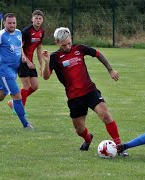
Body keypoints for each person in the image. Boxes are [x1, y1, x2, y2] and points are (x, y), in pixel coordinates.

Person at [41, 27, 128, 156]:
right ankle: (88, 139)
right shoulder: (54, 57)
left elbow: (98, 54)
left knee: (105, 115)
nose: (67, 46)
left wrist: (110, 69)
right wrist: (47, 63)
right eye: (64, 45)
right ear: (57, 42)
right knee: (79, 130)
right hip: (74, 98)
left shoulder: (79, 49)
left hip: (90, 91)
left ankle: (120, 147)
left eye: (69, 43)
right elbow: (46, 77)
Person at [7, 10, 45, 115]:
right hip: (21, 60)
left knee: (35, 86)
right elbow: (20, 48)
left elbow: (38, 49)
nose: (38, 20)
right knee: (26, 85)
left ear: (42, 20)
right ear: (32, 19)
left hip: (30, 61)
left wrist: (41, 65)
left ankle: (14, 102)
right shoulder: (26, 31)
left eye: (40, 18)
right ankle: (19, 109)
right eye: (36, 18)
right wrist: (27, 61)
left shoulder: (41, 32)